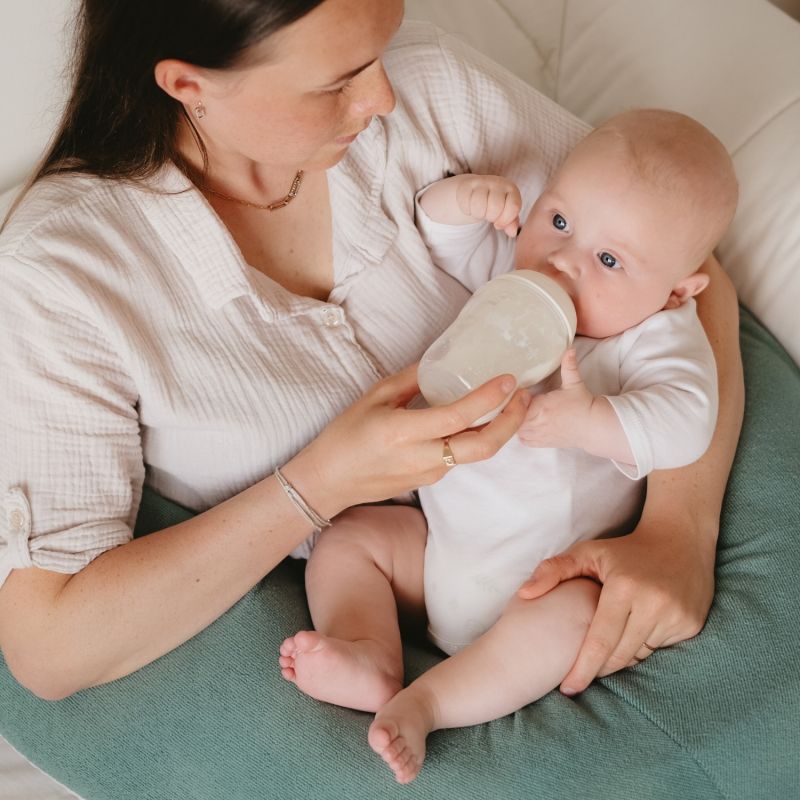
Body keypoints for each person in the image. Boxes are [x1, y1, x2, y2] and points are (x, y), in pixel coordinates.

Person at [0, 0, 741, 736]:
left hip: (560, 557)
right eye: (337, 81)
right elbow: (49, 648)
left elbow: (681, 265)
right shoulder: (64, 275)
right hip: (389, 570)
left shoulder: (434, 90)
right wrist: (321, 484)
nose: (384, 98)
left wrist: (678, 531)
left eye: (381, 51)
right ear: (190, 85)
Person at [278, 108, 739, 783]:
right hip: (438, 546)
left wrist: (589, 422)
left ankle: (428, 704)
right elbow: (449, 244)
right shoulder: (521, 282)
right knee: (349, 538)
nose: (563, 261)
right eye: (559, 220)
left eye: (609, 261)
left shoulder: (658, 336)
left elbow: (688, 422)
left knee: (574, 621)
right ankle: (369, 652)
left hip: (541, 581)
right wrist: (458, 201)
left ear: (676, 291)